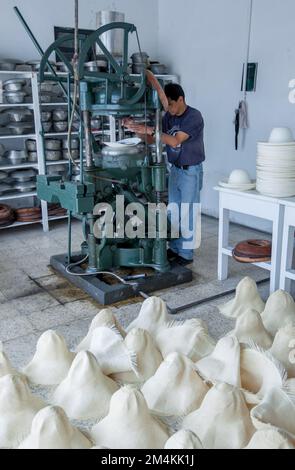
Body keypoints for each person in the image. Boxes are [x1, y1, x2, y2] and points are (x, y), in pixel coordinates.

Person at [123, 83, 205, 265]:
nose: (170, 110)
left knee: (188, 212)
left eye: (171, 105)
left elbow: (175, 141)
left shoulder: (194, 116)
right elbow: (155, 138)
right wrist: (136, 129)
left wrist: (149, 129)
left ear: (181, 99)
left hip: (191, 170)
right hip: (175, 169)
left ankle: (186, 254)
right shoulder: (168, 117)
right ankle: (175, 248)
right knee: (174, 210)